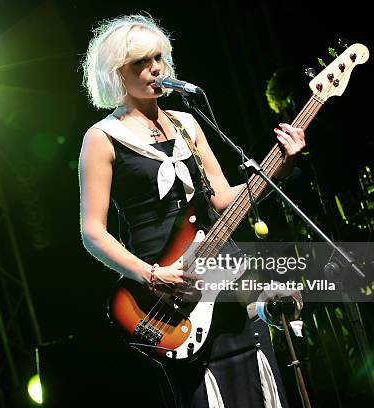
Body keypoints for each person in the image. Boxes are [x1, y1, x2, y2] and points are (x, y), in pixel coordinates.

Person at [79, 14, 306, 407]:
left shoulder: (187, 123)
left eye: (159, 58)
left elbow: (222, 198)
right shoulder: (102, 138)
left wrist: (279, 168)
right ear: (117, 73)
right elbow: (92, 233)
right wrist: (151, 275)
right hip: (168, 294)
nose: (155, 69)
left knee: (258, 370)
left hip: (224, 274)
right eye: (141, 63)